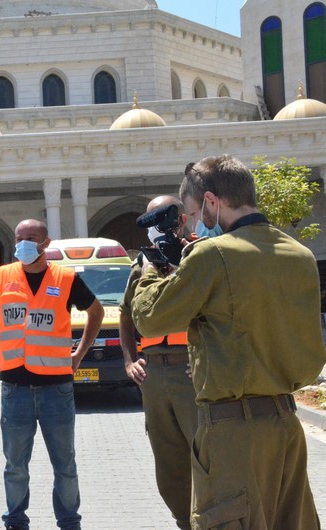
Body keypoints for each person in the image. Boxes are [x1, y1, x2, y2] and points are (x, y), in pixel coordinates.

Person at [132, 155, 326, 529]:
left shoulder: (211, 254)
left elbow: (151, 318)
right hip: (286, 423)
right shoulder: (298, 254)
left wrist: (151, 269)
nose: (193, 223)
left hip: (232, 432)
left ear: (210, 201)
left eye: (191, 212)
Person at [0, 219, 104, 530]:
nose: (23, 244)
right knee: (15, 466)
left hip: (55, 389)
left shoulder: (66, 277)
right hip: (15, 388)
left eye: (31, 238)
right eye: (19, 238)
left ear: (46, 243)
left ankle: (69, 522)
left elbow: (96, 312)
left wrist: (78, 355)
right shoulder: (1, 276)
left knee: (65, 465)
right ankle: (16, 522)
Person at [119, 195, 198, 529]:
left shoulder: (201, 253)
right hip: (153, 372)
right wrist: (129, 360)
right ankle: (184, 520)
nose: (156, 228)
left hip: (191, 368)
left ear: (181, 219)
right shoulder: (143, 263)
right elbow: (126, 314)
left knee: (205, 451)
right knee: (167, 457)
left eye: (162, 219)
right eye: (149, 220)